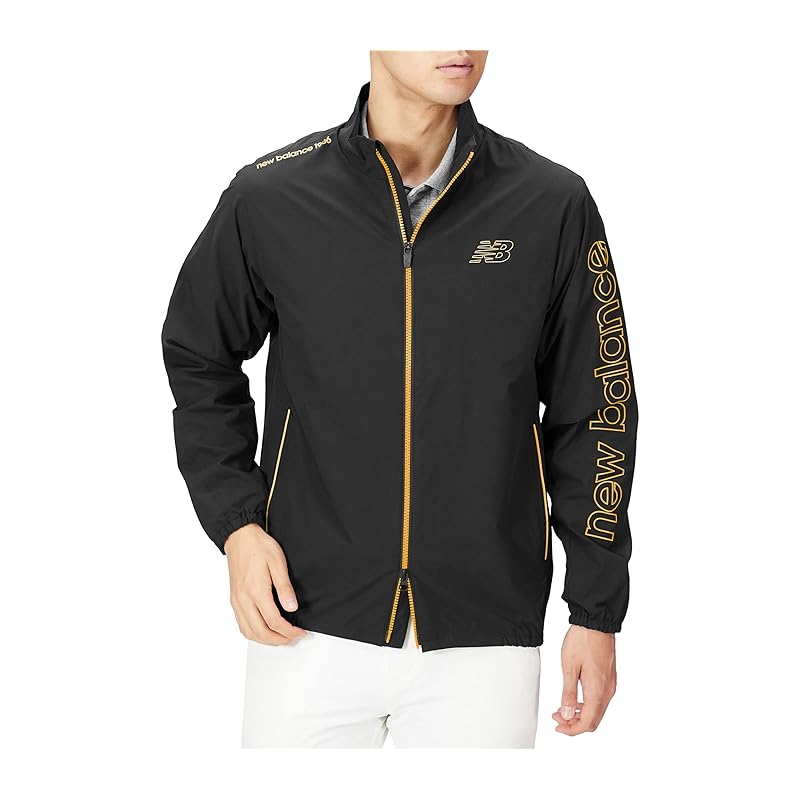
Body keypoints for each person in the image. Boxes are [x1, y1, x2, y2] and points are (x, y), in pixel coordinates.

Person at [161, 50, 638, 748]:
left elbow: (597, 410)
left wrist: (595, 610)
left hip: (483, 637)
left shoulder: (550, 202)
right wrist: (237, 526)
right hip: (304, 618)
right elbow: (199, 354)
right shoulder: (272, 195)